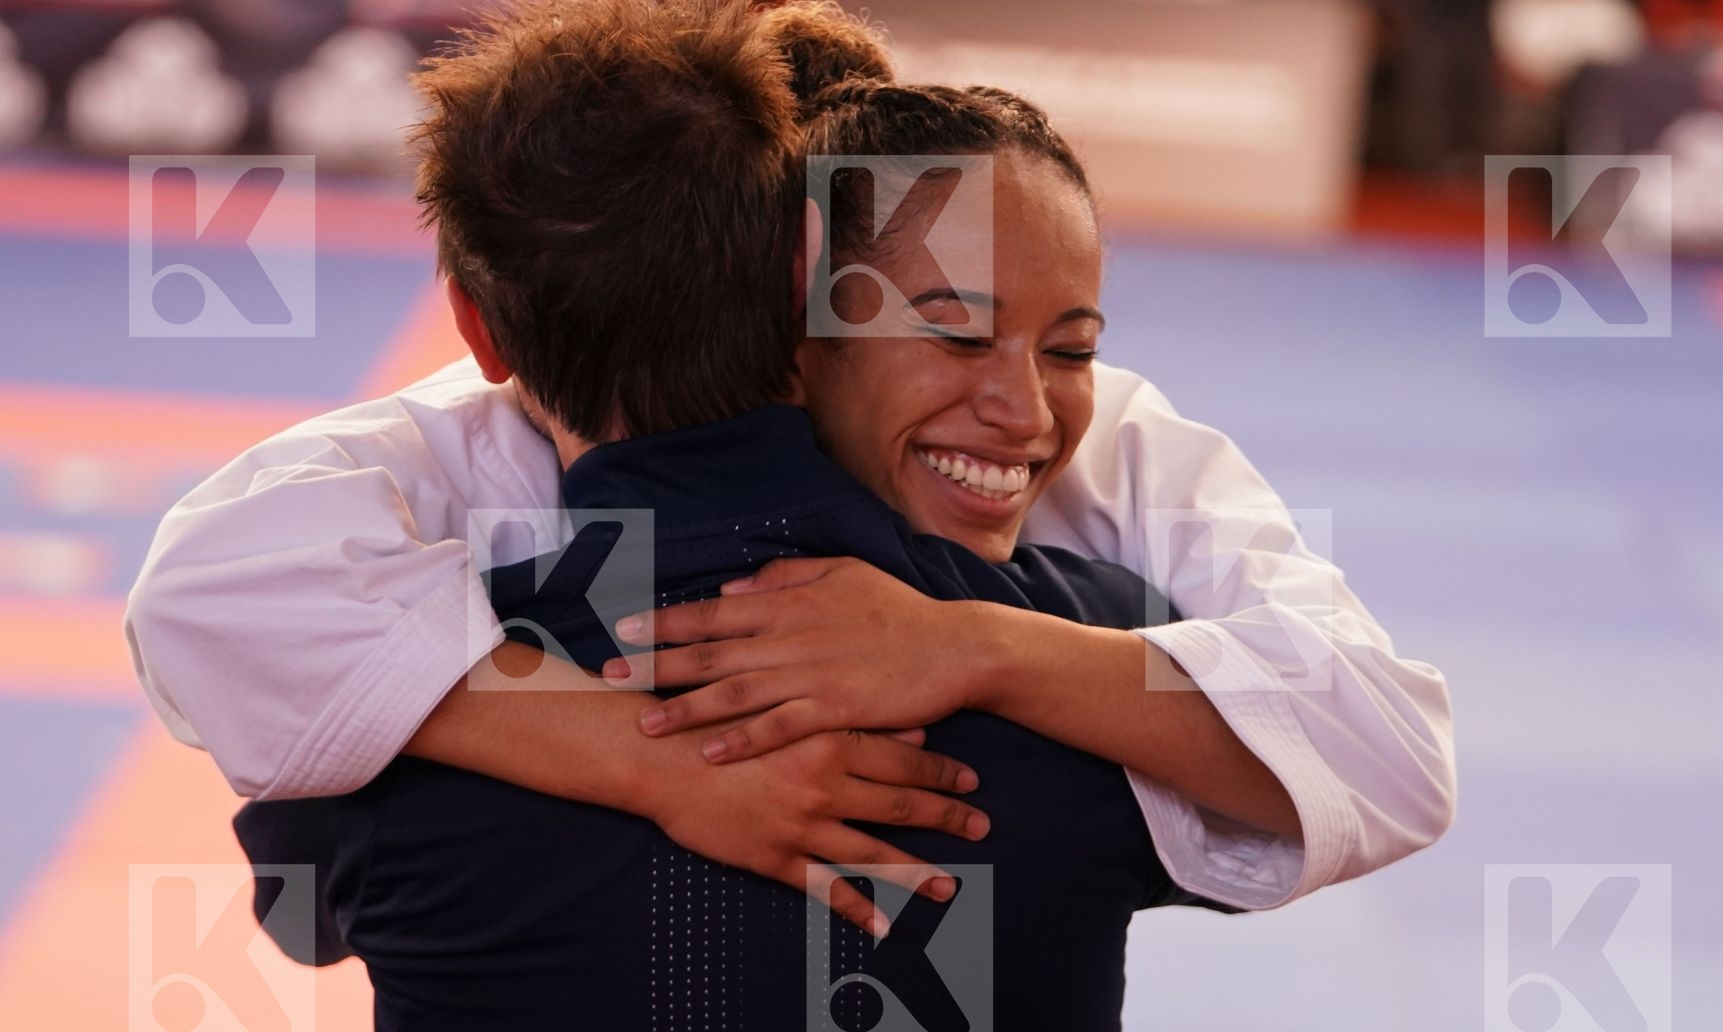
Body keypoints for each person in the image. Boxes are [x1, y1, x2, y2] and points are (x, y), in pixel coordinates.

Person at [126, 1, 1454, 931]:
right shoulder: (519, 437)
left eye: (1065, 344)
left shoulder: (1091, 443)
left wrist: (976, 644)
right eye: (941, 324)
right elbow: (198, 597)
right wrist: (647, 758)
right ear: (798, 308)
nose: (1016, 407)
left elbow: (1394, 752)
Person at [232, 3, 1253, 1032]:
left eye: (1066, 350)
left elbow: (299, 921)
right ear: (821, 294)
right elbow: (1321, 781)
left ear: (478, 327)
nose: (1026, 407)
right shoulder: (1113, 657)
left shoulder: (380, 690)